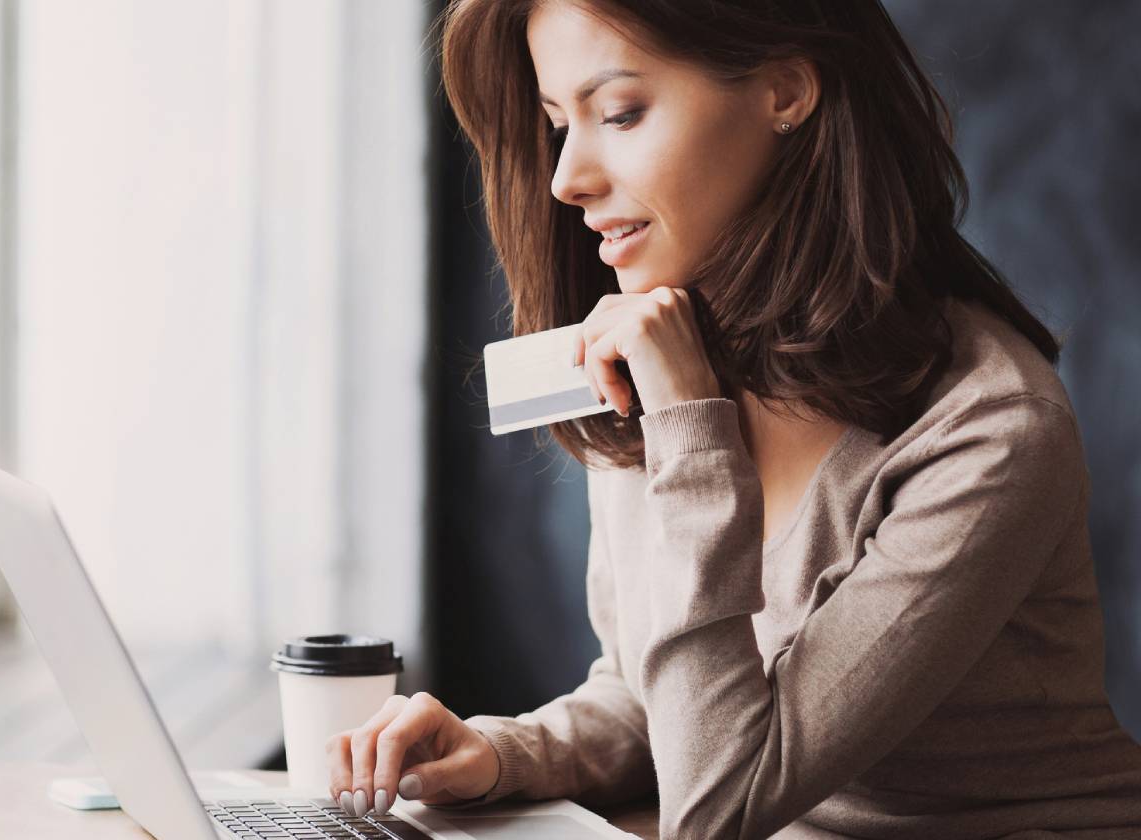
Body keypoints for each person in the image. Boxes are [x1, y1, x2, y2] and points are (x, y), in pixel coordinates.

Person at [324, 0, 1141, 837]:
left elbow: (720, 806)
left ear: (784, 90)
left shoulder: (991, 431)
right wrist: (506, 754)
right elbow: (663, 700)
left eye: (619, 113)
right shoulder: (665, 350)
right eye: (556, 123)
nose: (567, 175)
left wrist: (689, 428)